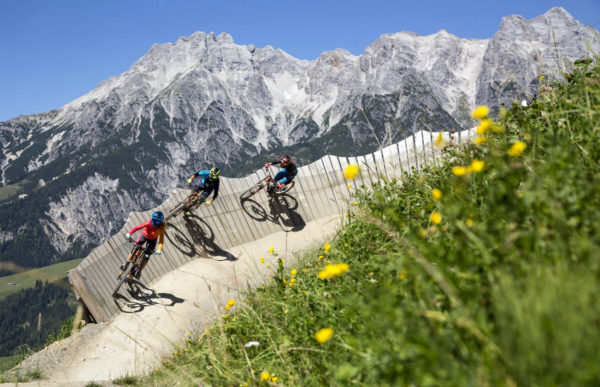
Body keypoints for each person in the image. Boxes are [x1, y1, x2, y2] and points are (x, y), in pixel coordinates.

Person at [124, 211, 165, 279]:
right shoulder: (148, 223)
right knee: (135, 249)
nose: (155, 222)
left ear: (161, 221)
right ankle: (126, 263)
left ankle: (139, 271)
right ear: (152, 219)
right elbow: (137, 227)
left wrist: (159, 249)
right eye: (154, 220)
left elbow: (161, 240)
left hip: (152, 240)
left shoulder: (162, 228)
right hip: (144, 236)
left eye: (157, 222)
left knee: (146, 257)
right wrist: (129, 233)